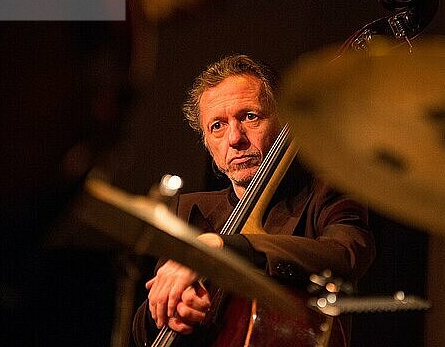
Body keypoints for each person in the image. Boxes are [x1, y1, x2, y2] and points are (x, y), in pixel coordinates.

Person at [132, 54, 375, 346]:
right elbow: (143, 331)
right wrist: (166, 312)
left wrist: (223, 246)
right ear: (206, 143)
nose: (235, 138)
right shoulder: (189, 209)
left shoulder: (325, 192)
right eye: (217, 126)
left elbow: (345, 255)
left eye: (249, 116)